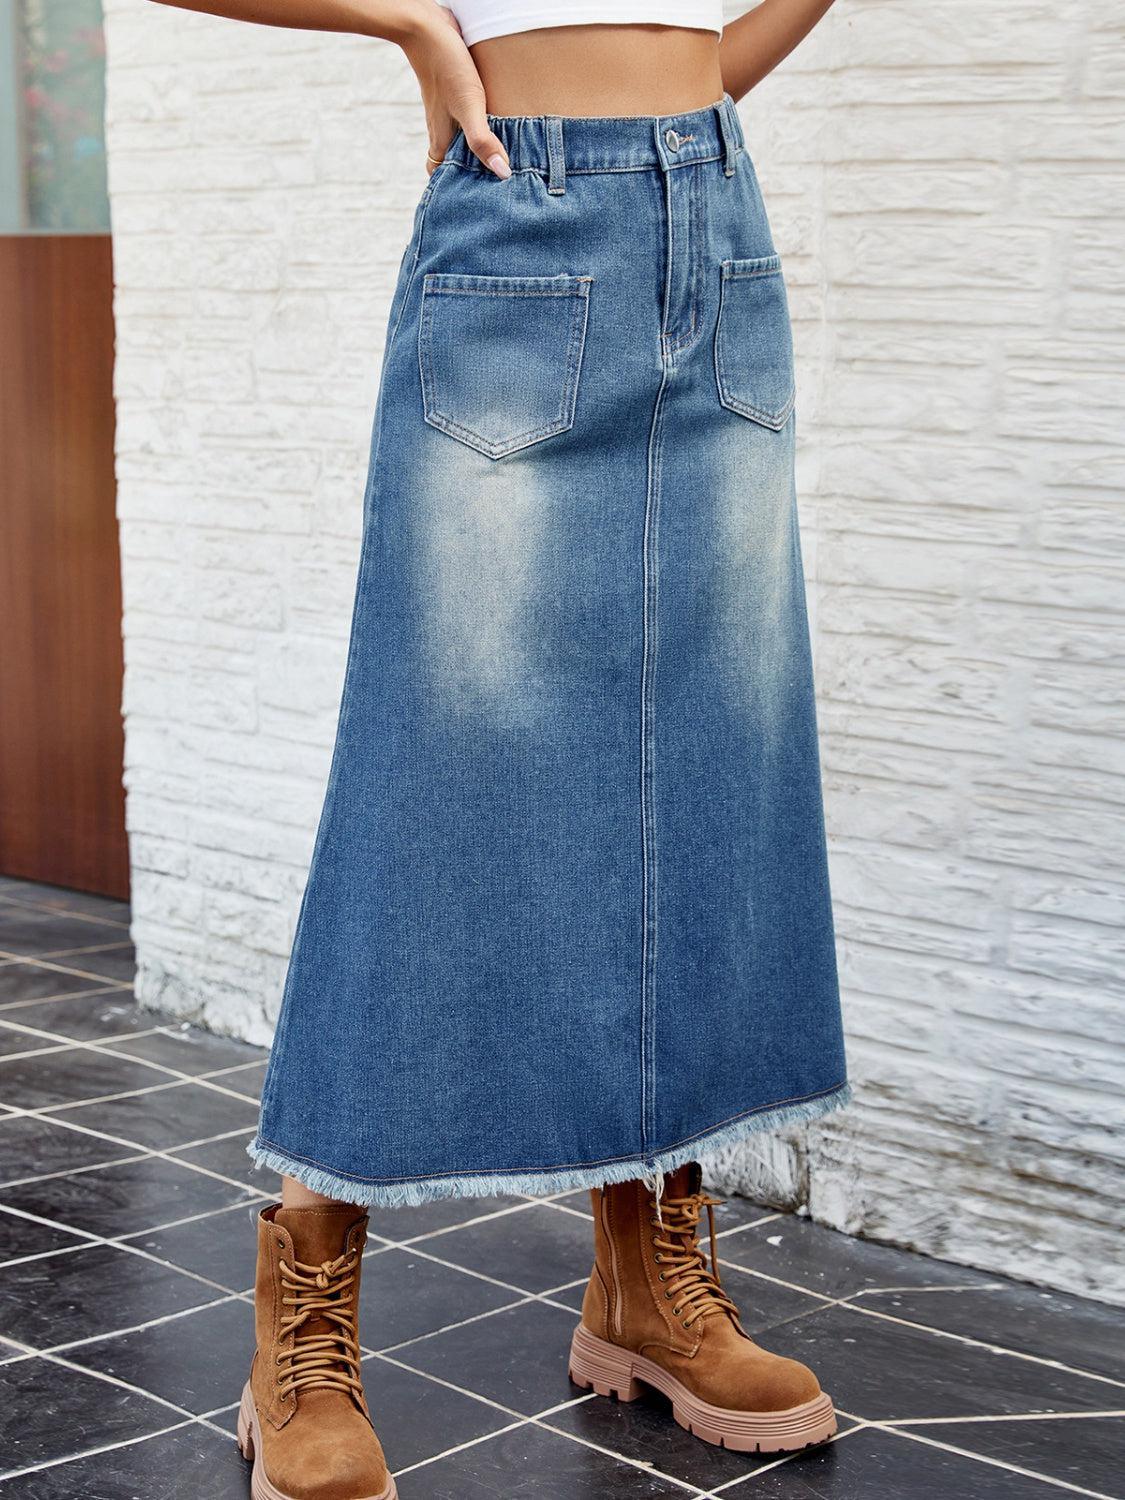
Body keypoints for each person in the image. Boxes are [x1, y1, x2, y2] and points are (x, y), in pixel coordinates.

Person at [150, 0, 849, 1493]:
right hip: (518, 234)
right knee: (439, 777)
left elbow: (714, 41)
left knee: (699, 760)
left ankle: (645, 1280)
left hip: (712, 225)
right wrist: (407, 22)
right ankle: (303, 1301)